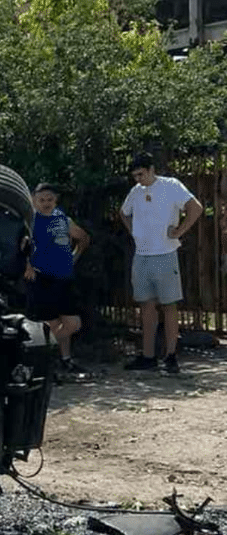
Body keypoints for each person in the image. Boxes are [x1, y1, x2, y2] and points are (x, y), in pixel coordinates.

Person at [120, 152, 203, 374]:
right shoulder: (136, 191)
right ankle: (148, 356)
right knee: (146, 305)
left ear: (151, 169)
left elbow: (196, 208)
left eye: (141, 174)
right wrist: (134, 232)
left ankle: (171, 355)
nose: (138, 179)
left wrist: (179, 231)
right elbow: (124, 212)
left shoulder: (171, 185)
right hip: (142, 254)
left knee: (169, 305)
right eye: (135, 176)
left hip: (165, 253)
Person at [24, 183, 91, 375]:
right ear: (34, 200)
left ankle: (42, 354)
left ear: (56, 200)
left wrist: (74, 257)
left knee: (73, 323)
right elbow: (21, 247)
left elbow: (84, 238)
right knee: (51, 323)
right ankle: (60, 361)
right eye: (42, 200)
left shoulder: (63, 219)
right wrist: (28, 265)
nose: (46, 203)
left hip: (64, 277)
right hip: (42, 278)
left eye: (50, 199)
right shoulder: (30, 221)